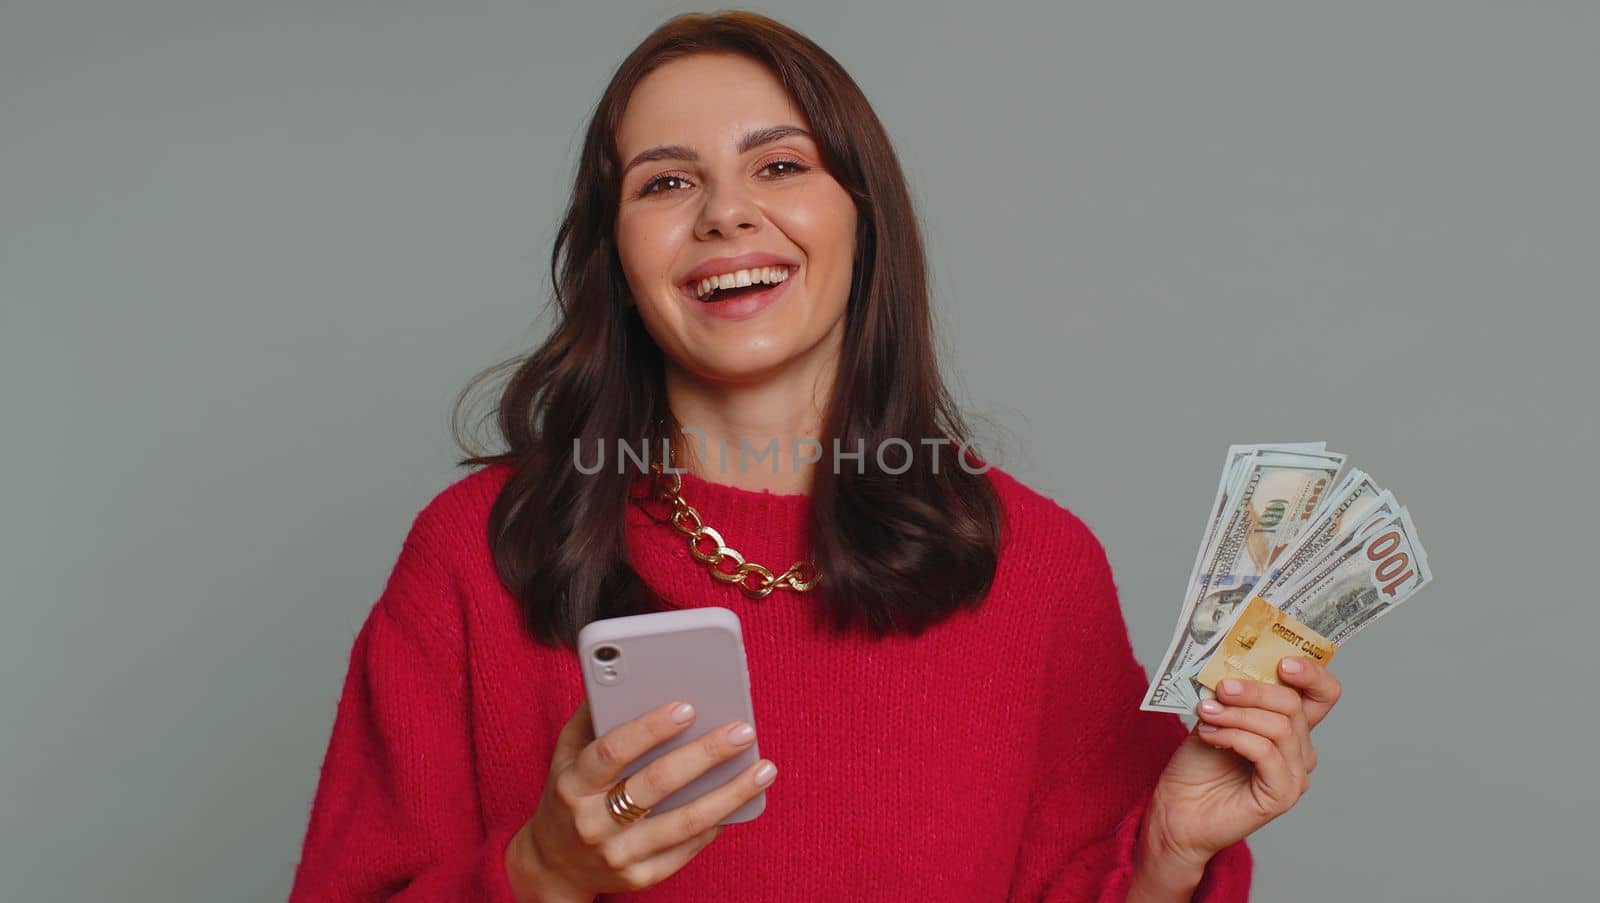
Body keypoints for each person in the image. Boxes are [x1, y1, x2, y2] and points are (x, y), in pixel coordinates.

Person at [288, 11, 1342, 901]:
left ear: (862, 221)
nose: (725, 213)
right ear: (614, 256)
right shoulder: (476, 552)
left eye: (780, 165)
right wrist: (543, 872)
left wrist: (1163, 855)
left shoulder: (1036, 566)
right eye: (663, 184)